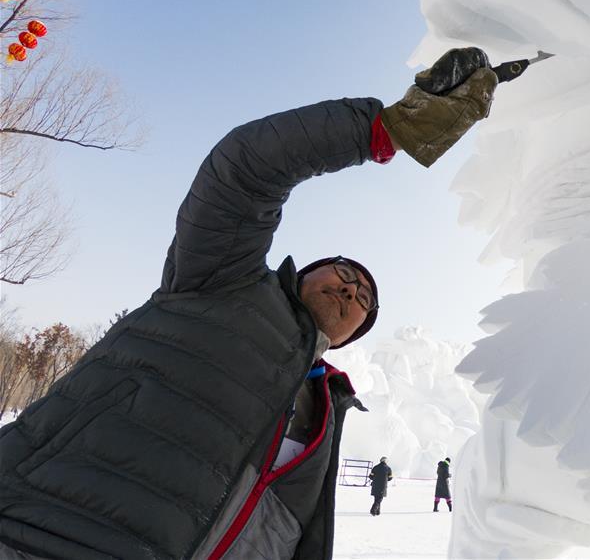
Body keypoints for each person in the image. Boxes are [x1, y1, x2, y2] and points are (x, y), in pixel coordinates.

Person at [0, 49, 498, 559]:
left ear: (351, 336)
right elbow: (244, 170)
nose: (351, 290)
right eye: (344, 275)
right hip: (34, 533)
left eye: (363, 299)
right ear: (303, 276)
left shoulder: (326, 406)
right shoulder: (220, 281)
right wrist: (389, 129)